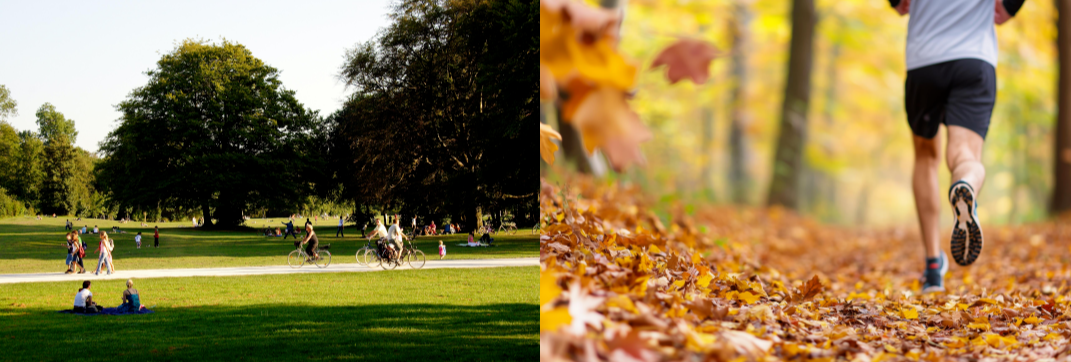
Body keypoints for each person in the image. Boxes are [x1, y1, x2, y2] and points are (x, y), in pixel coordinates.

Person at [888, 0, 1022, 293]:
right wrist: (1011, 5)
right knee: (964, 154)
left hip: (925, 59)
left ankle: (933, 266)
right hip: (974, 58)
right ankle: (965, 185)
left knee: (926, 157)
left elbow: (899, 4)